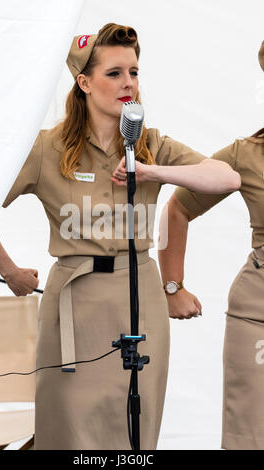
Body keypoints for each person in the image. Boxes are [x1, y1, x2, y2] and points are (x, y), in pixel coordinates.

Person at [0, 23, 240, 450]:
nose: (128, 84)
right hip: (73, 305)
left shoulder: (150, 144)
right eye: (114, 73)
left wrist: (152, 171)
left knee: (135, 429)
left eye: (134, 72)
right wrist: (8, 270)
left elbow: (226, 178)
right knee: (68, 430)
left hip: (141, 300)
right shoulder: (46, 148)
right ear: (84, 82)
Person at [158, 41, 264, 450]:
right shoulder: (244, 155)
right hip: (257, 316)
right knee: (250, 438)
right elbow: (176, 209)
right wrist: (172, 285)